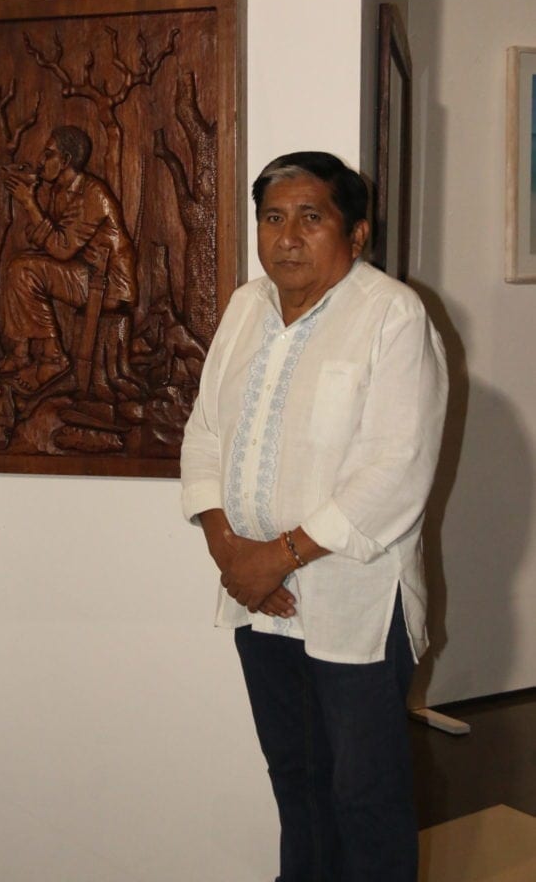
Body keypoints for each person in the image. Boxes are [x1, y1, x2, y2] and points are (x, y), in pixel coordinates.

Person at [180, 152, 448, 882]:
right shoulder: (245, 308)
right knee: (295, 781)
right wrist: (230, 551)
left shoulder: (391, 315)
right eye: (273, 218)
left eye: (310, 217)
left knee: (364, 795)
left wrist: (276, 557)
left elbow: (394, 469)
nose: (287, 237)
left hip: (352, 601)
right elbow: (204, 433)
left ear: (356, 234)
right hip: (257, 599)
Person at [0, 125, 138, 394]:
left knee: (23, 270)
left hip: (106, 284)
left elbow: (61, 248)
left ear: (65, 160)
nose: (40, 161)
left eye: (48, 154)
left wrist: (29, 204)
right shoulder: (61, 191)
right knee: (22, 264)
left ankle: (53, 358)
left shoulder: (92, 194)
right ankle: (20, 353)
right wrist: (33, 200)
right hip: (85, 271)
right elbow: (43, 239)